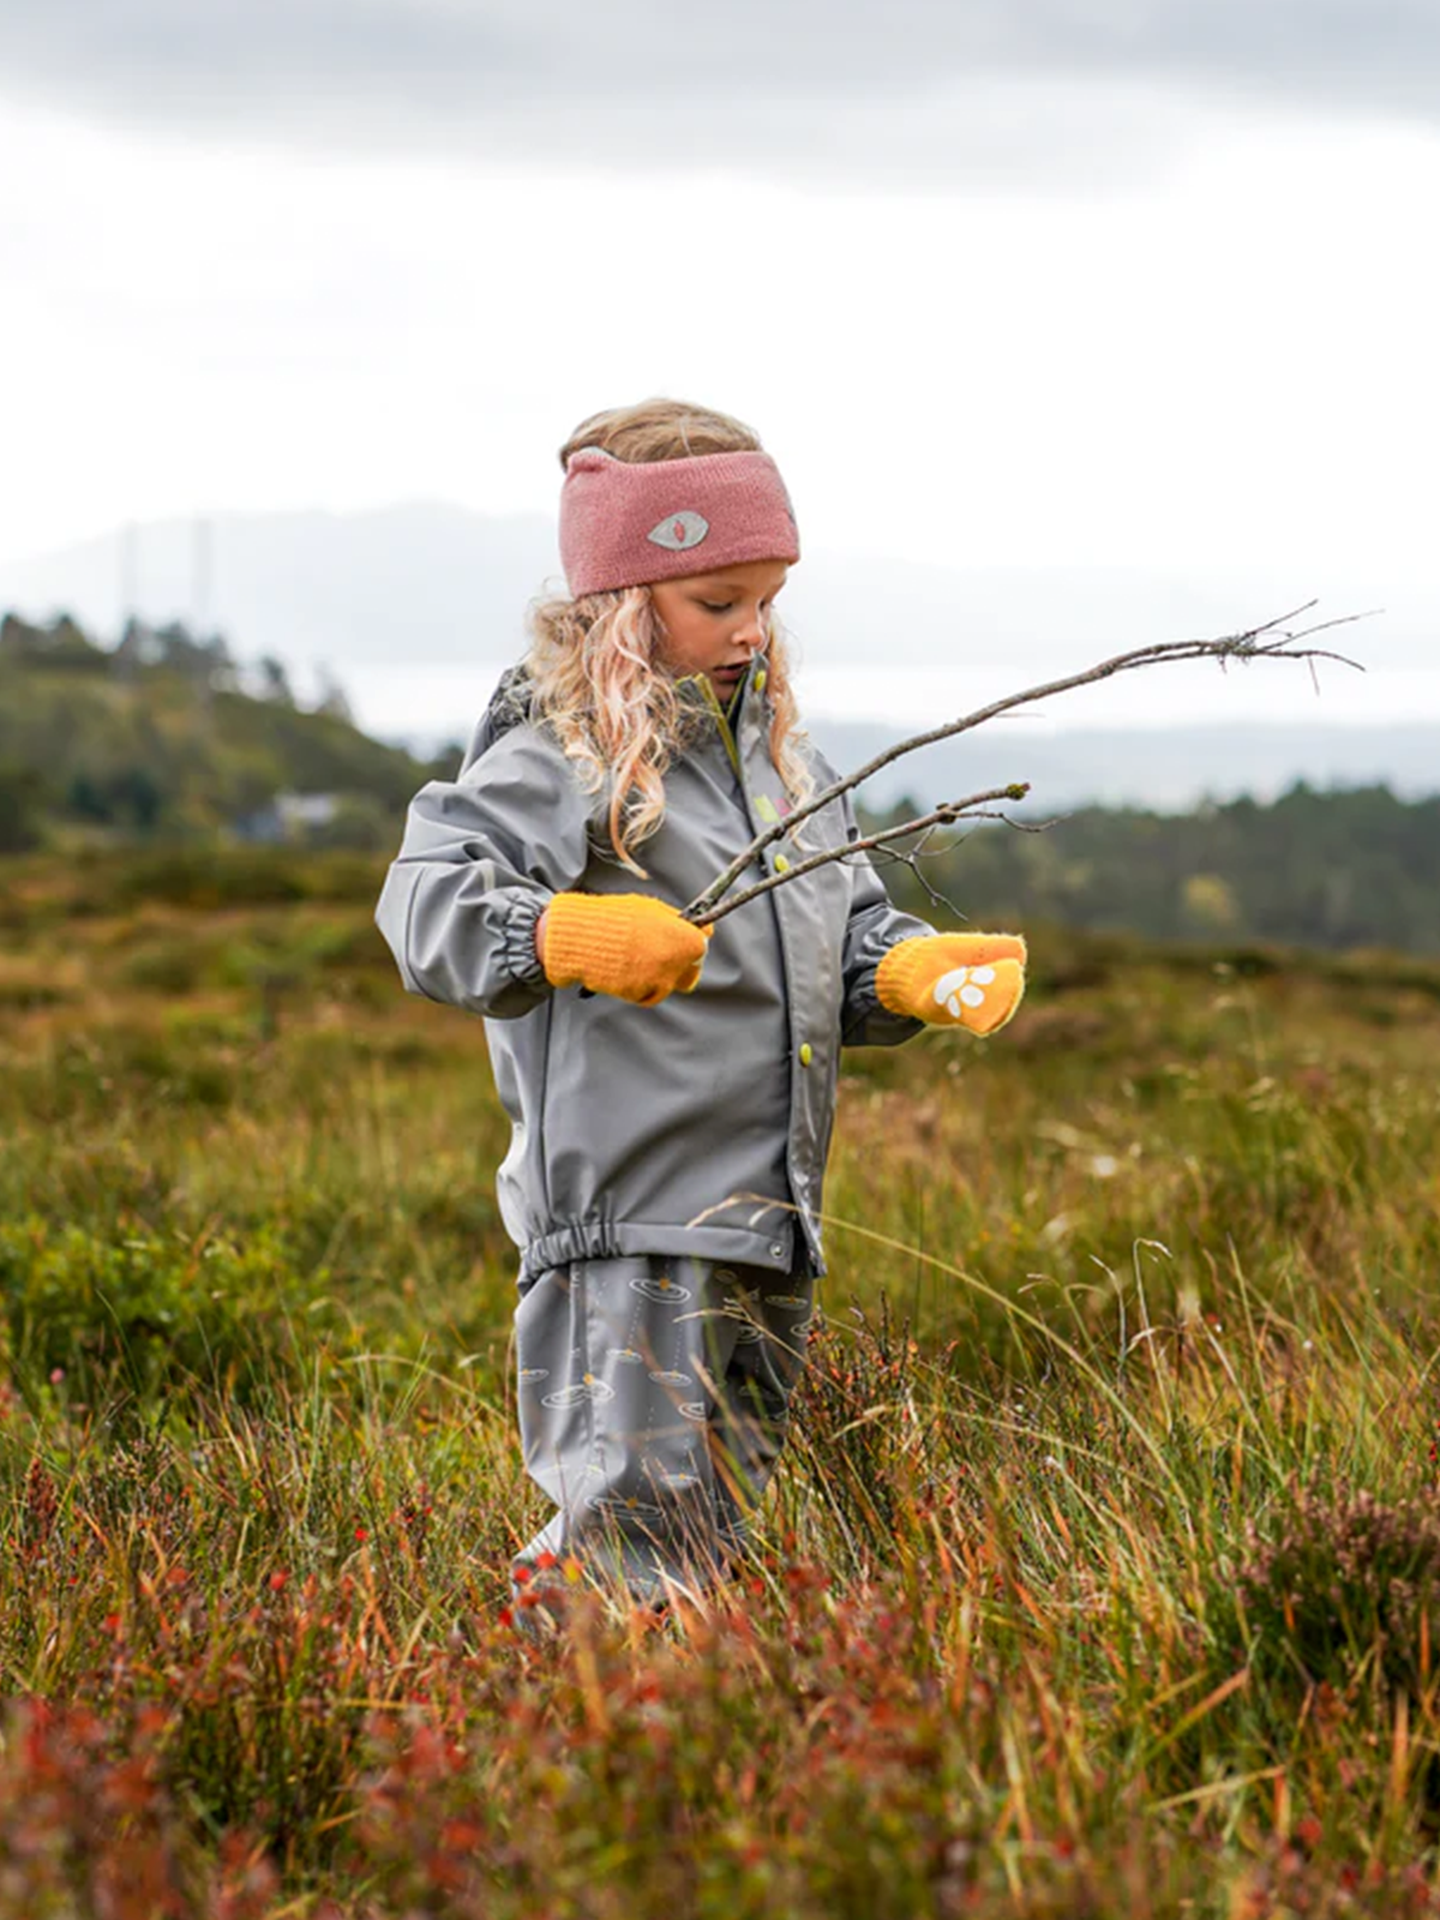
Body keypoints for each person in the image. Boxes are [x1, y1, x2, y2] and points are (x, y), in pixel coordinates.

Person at [375, 397, 1026, 1615]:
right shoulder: (558, 755)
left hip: (770, 1223)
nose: (752, 632)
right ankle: (549, 1764)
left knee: (702, 1552)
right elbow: (425, 904)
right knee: (623, 1546)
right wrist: (558, 930)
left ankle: (660, 1771)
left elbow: (841, 930)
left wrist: (902, 973)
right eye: (717, 602)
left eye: (769, 599)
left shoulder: (788, 767)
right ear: (624, 600)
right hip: (628, 1223)